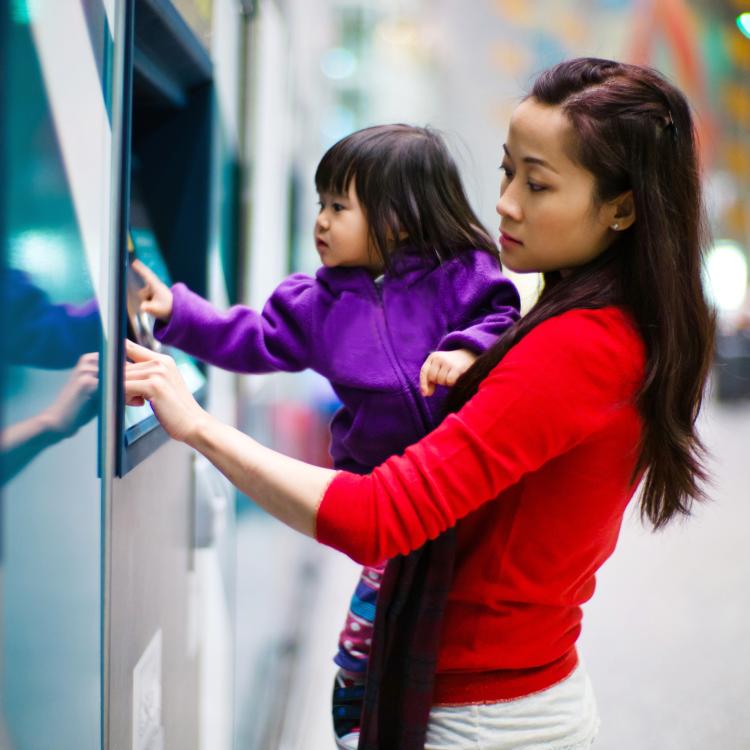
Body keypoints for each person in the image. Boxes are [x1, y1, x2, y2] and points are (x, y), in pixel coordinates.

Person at [124, 58, 715, 750]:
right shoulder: (593, 322)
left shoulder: (578, 347)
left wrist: (197, 427)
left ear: (622, 207)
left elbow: (379, 518)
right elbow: (260, 335)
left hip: (480, 720)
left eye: (538, 182)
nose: (506, 203)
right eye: (506, 172)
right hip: (502, 697)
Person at [130, 123, 520, 749]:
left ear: (400, 217)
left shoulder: (461, 278)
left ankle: (424, 699)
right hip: (382, 499)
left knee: (448, 611)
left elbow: (503, 319)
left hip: (456, 489)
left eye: (340, 206)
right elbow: (253, 338)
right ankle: (356, 706)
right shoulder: (317, 305)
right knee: (372, 620)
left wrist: (469, 350)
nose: (322, 221)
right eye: (321, 204)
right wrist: (177, 313)